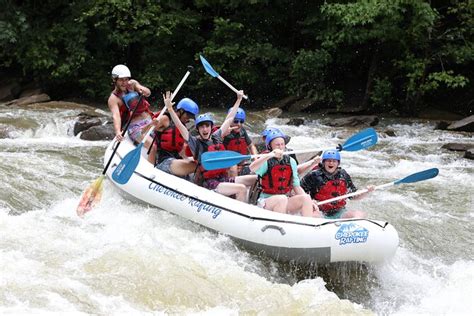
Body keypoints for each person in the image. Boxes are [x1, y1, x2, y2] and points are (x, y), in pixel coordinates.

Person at [163, 90, 255, 202]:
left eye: (207, 126)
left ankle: (254, 204)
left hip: (224, 179)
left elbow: (229, 119)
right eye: (201, 127)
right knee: (241, 188)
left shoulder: (216, 137)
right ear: (198, 129)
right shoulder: (195, 143)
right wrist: (170, 109)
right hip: (211, 184)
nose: (205, 129)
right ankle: (241, 214)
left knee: (255, 179)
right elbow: (179, 125)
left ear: (211, 127)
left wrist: (239, 100)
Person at [249, 130, 316, 217]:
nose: (280, 147)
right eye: (277, 145)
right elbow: (252, 168)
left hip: (285, 199)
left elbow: (296, 186)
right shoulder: (265, 160)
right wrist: (270, 155)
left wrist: (310, 202)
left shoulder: (291, 161)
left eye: (282, 144)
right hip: (266, 201)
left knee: (306, 198)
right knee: (282, 199)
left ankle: (308, 226)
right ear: (270, 146)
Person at [301, 149, 374, 219]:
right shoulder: (314, 175)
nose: (331, 163)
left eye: (334, 161)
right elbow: (299, 192)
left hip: (339, 212)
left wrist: (366, 191)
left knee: (359, 214)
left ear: (338, 163)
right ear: (323, 162)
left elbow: (353, 196)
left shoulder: (343, 175)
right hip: (319, 212)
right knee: (314, 217)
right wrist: (310, 201)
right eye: (328, 161)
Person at [148, 98, 200, 177]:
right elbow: (143, 132)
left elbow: (182, 150)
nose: (189, 118)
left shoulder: (183, 128)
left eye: (191, 117)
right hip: (163, 161)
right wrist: (151, 124)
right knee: (194, 166)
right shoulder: (165, 119)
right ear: (181, 111)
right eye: (188, 115)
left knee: (199, 164)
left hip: (175, 160)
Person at [107, 64, 152, 143]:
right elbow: (116, 116)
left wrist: (143, 90)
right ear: (115, 80)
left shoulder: (132, 84)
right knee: (153, 146)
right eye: (121, 80)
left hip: (149, 120)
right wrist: (117, 131)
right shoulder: (113, 99)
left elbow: (148, 93)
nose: (124, 83)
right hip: (135, 127)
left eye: (126, 79)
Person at [223, 108, 258, 176]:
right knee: (233, 167)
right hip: (228, 164)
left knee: (257, 165)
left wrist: (255, 157)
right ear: (229, 121)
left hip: (242, 162)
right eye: (236, 121)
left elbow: (251, 146)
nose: (239, 124)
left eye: (241, 121)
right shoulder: (224, 133)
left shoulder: (242, 131)